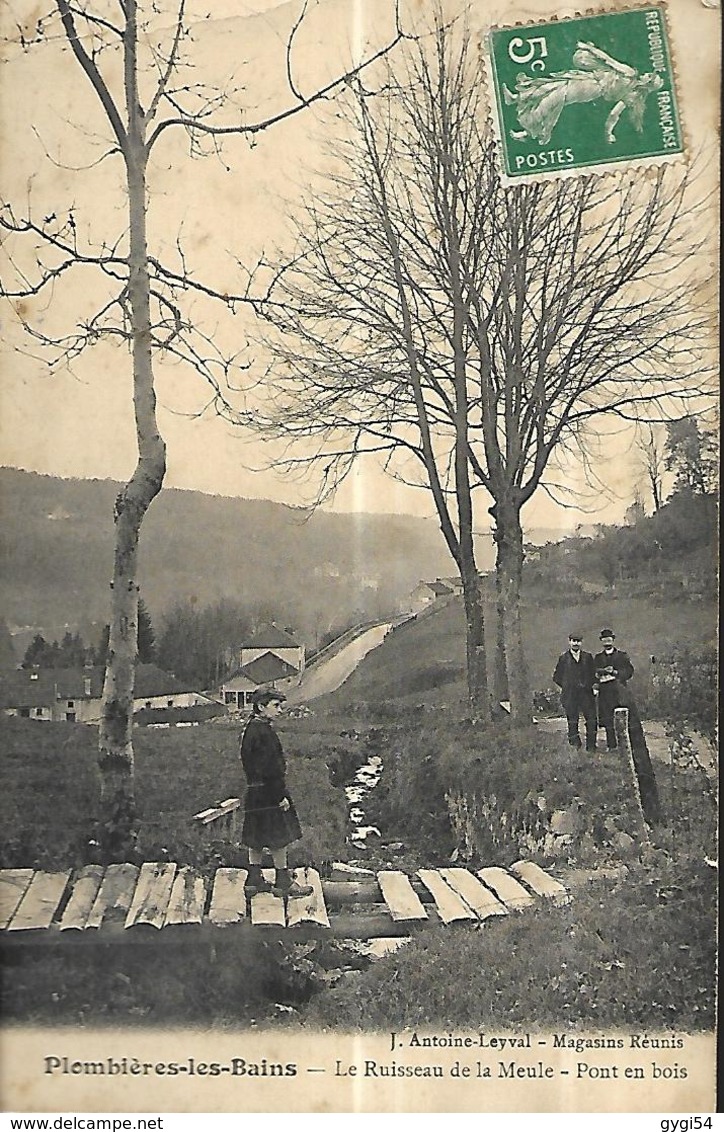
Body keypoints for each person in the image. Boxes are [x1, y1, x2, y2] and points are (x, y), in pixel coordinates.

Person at [503, 40, 664, 146]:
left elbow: (608, 60)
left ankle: (535, 131)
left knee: (555, 96)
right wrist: (608, 133)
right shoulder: (632, 97)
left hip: (590, 85)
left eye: (649, 76)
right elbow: (614, 115)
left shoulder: (629, 73)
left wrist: (589, 48)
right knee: (552, 85)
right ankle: (517, 99)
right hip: (589, 84)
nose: (646, 74)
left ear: (647, 82)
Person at [239, 687, 313, 899]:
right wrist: (279, 796)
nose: (280, 710)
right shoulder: (265, 733)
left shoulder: (251, 729)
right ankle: (283, 882)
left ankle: (254, 880)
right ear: (261, 707)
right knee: (279, 837)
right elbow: (271, 769)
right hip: (270, 792)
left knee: (256, 835)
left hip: (254, 791)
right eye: (275, 706)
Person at [594, 629, 661, 824]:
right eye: (604, 639)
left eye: (609, 638)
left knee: (623, 718)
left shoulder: (621, 656)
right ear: (601, 641)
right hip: (605, 691)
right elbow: (594, 673)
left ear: (613, 640)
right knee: (607, 719)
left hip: (618, 690)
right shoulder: (598, 658)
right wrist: (600, 675)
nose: (606, 641)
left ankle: (625, 743)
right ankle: (612, 744)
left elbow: (628, 671)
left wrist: (615, 672)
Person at [552, 632, 597, 751]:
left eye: (578, 641)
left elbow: (593, 674)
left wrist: (588, 685)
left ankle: (591, 746)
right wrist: (568, 686)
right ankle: (574, 745)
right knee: (572, 720)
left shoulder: (588, 657)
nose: (576, 643)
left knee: (591, 719)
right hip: (570, 695)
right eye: (573, 641)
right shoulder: (564, 658)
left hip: (586, 694)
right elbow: (557, 677)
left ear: (581, 643)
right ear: (569, 642)